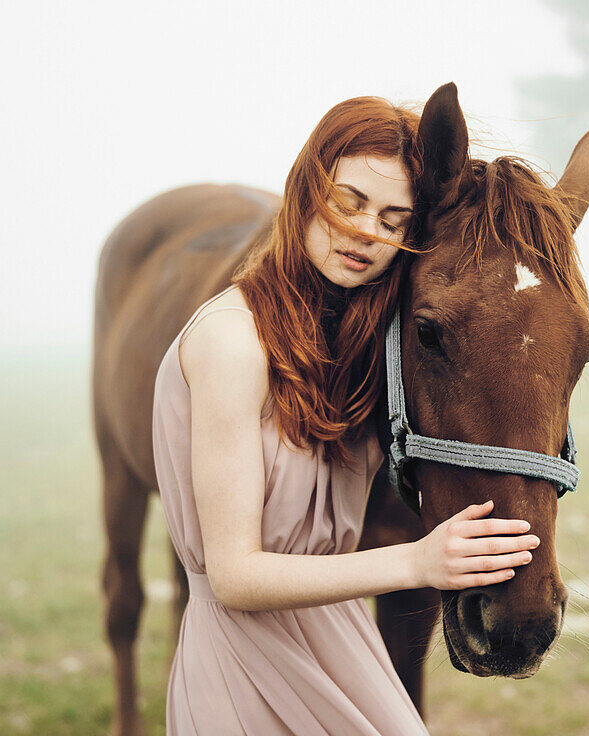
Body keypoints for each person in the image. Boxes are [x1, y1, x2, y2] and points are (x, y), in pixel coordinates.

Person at [151, 95, 541, 735]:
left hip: (342, 646)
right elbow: (234, 577)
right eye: (349, 202)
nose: (367, 232)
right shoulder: (232, 341)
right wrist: (418, 564)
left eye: (394, 221)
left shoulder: (359, 343)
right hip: (246, 663)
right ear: (306, 191)